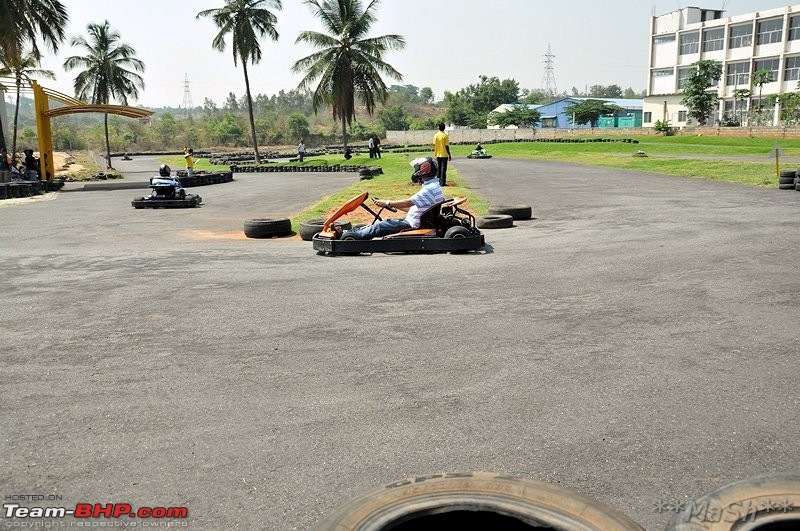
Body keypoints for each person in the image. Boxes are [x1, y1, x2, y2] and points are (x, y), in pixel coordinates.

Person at [342, 156, 444, 240]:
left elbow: (409, 202)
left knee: (380, 225)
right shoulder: (433, 186)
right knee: (379, 222)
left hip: (411, 225)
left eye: (417, 168)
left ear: (424, 170)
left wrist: (387, 203)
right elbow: (415, 207)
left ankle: (350, 237)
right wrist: (393, 206)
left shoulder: (429, 189)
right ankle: (352, 233)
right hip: (414, 221)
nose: (415, 171)